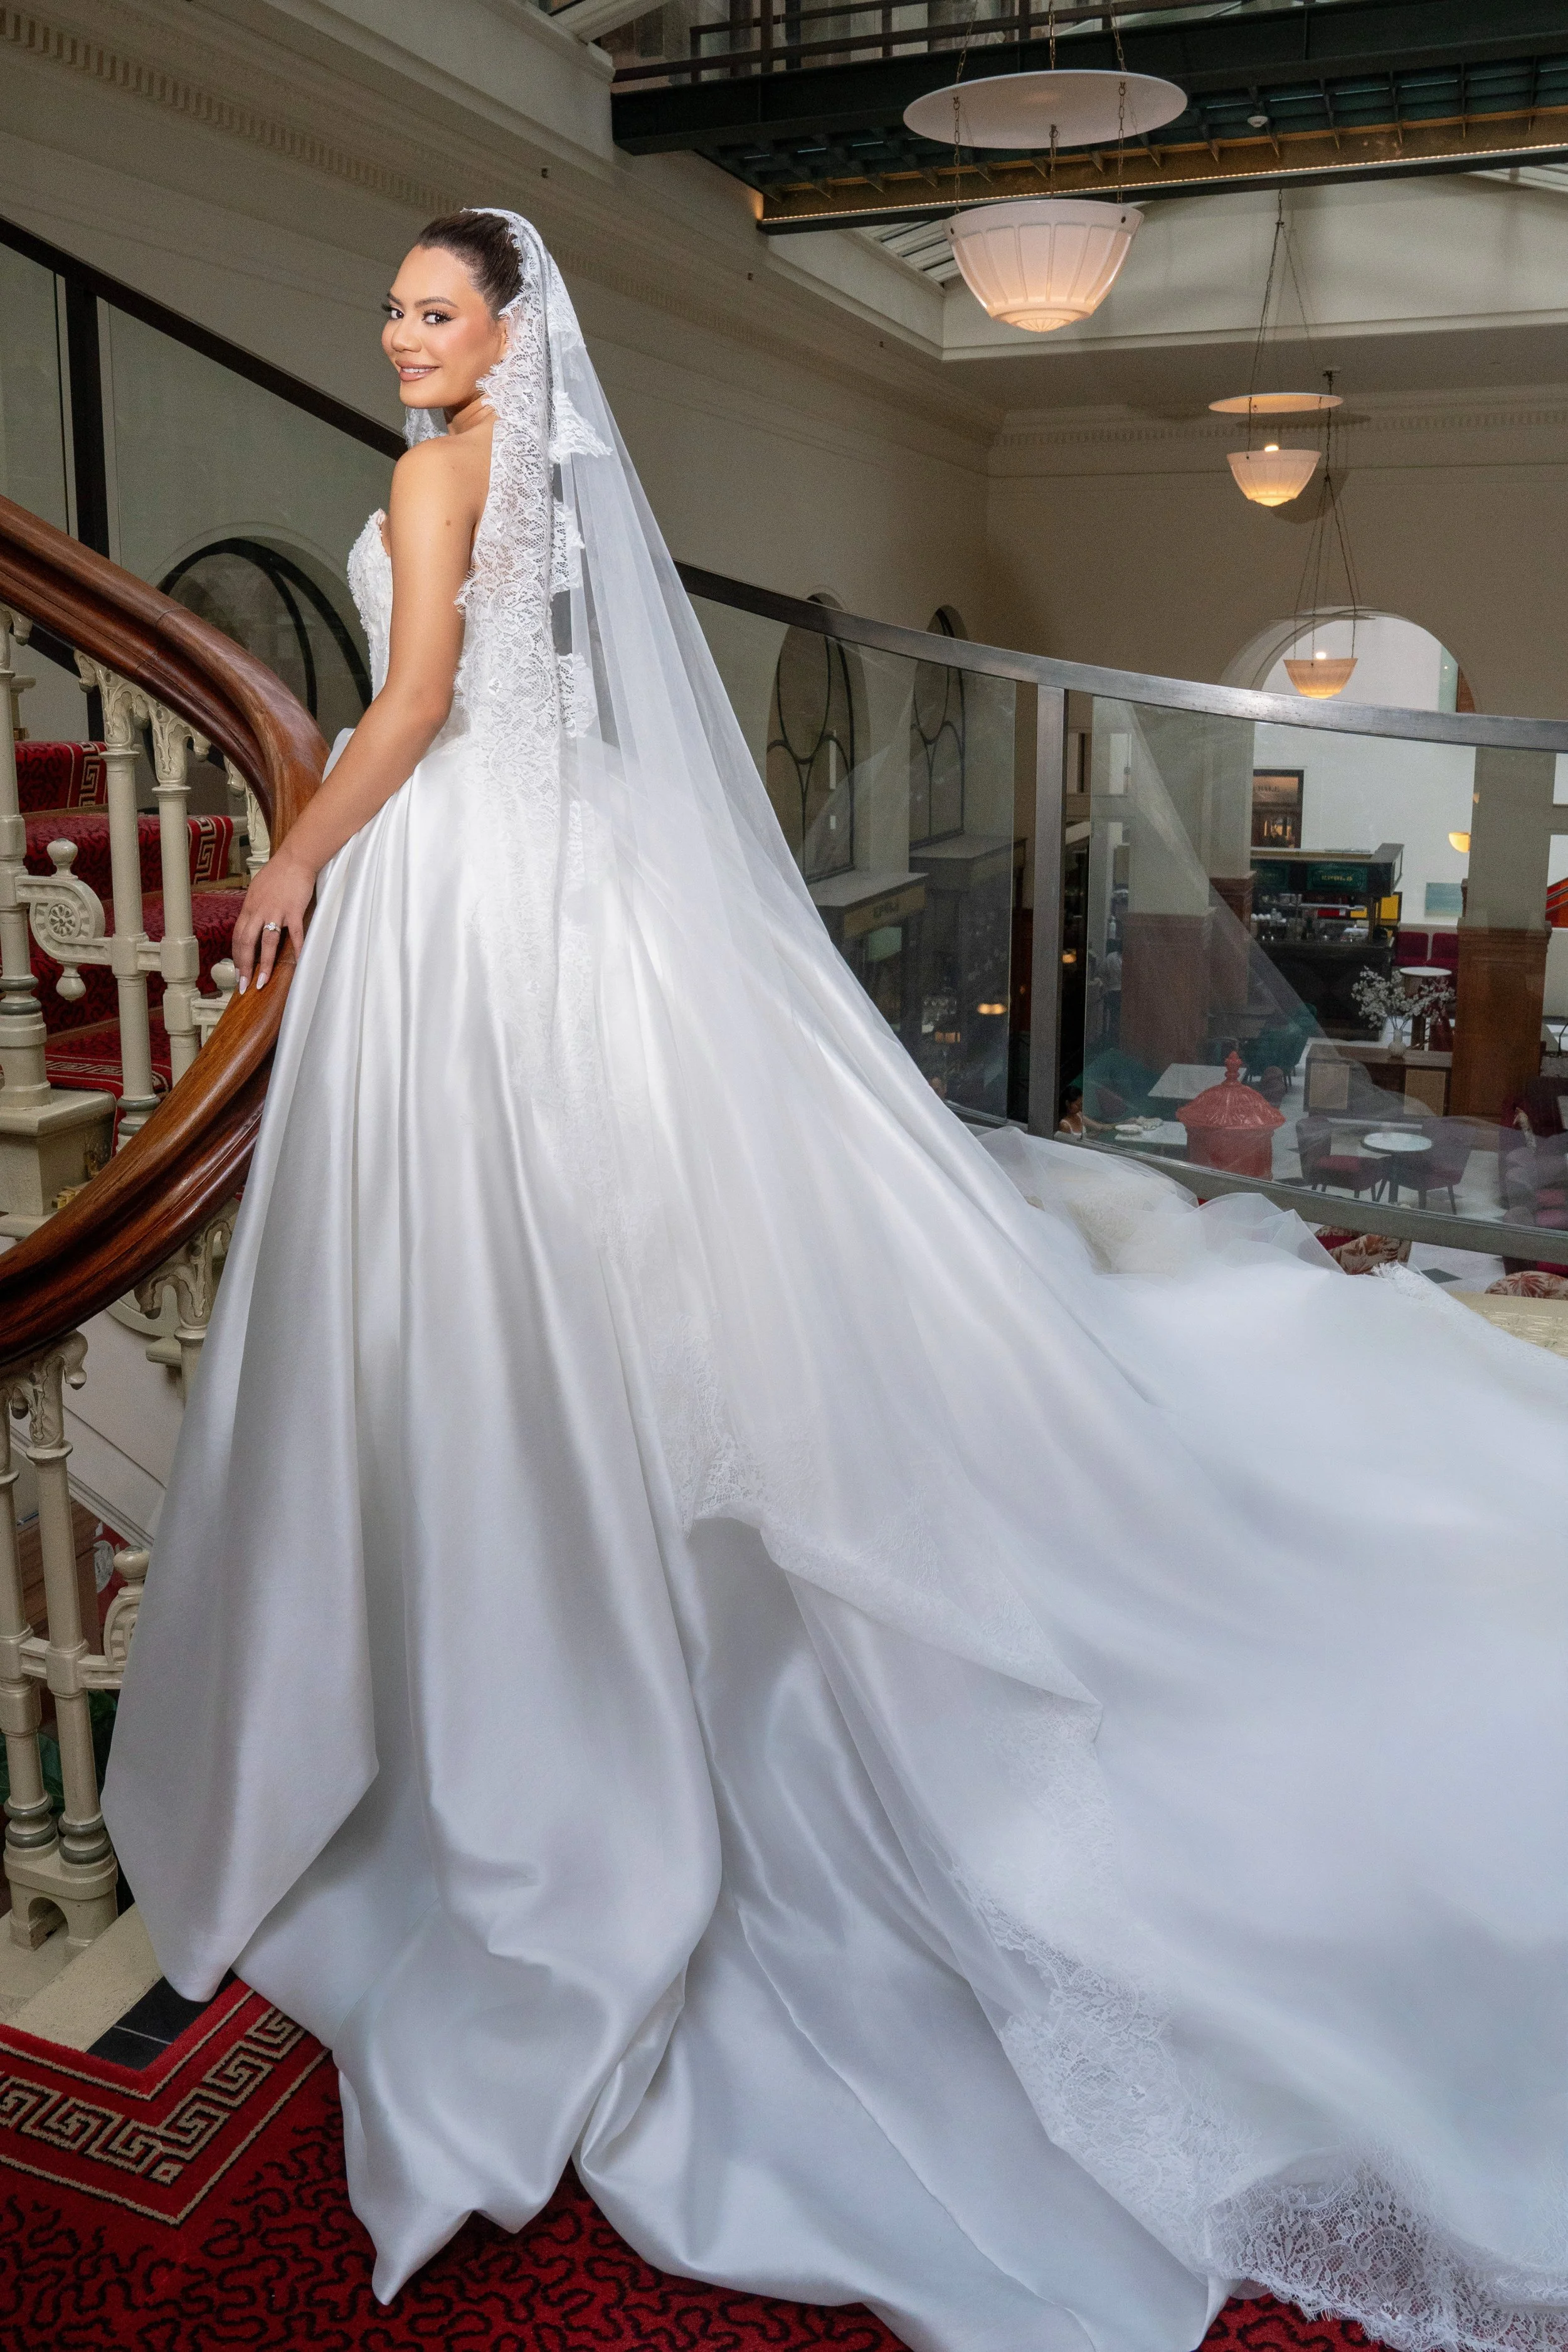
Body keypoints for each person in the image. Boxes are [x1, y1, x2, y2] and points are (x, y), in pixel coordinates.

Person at [103, 212, 1568, 2352]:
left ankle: (523, 1605)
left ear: (509, 329)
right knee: (589, 1255)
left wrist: (301, 853)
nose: (400, 337)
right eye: (394, 309)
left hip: (458, 888)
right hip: (563, 866)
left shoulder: (442, 469)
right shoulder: (541, 468)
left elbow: (411, 701)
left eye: (431, 308)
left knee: (491, 1272)